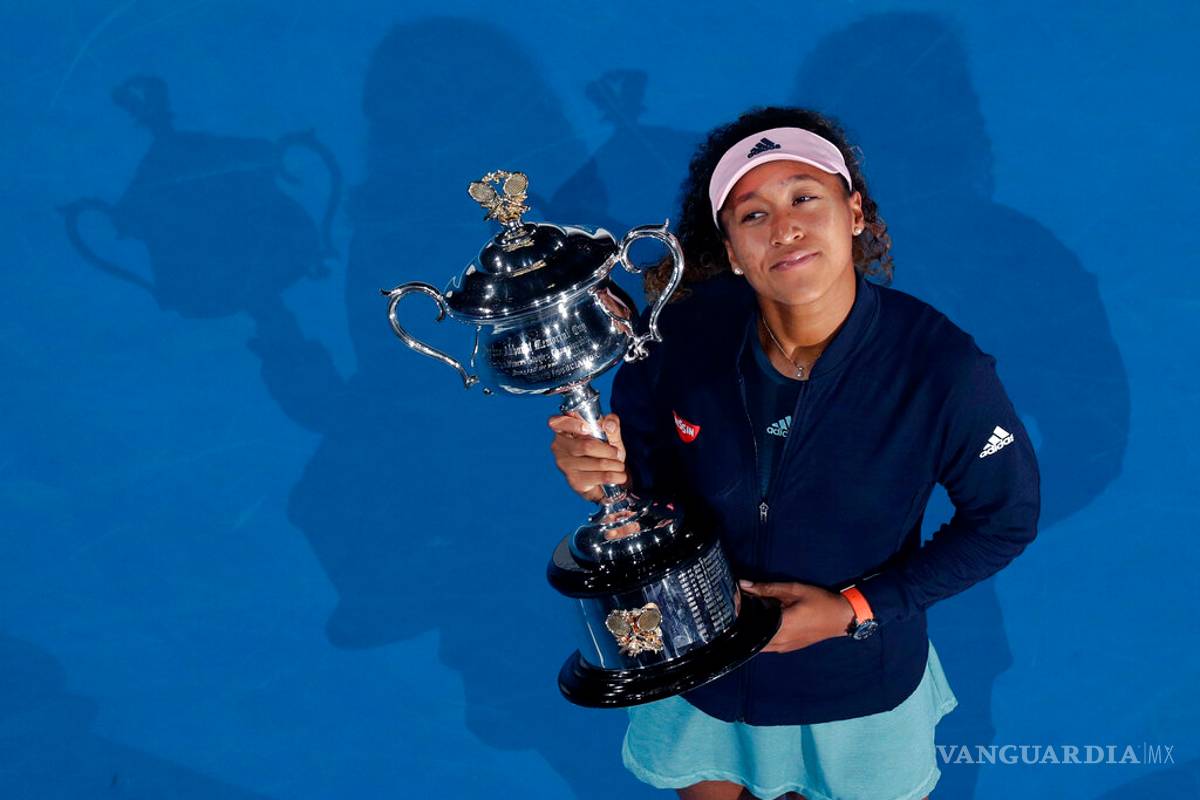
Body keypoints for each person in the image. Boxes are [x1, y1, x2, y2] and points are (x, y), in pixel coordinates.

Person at [548, 106, 1041, 800]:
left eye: (805, 198)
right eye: (753, 214)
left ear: (855, 212)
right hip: (700, 672)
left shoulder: (942, 370)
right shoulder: (675, 341)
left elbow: (1005, 519)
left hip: (855, 682)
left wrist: (854, 609)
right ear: (730, 248)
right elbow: (649, 491)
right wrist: (606, 479)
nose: (784, 228)